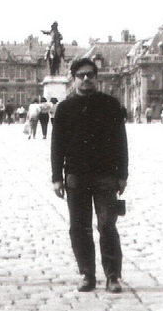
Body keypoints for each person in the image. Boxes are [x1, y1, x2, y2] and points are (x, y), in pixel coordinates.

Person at [51, 58, 128, 294]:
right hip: (76, 175)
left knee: (107, 225)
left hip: (106, 175)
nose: (86, 79)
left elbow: (121, 141)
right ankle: (87, 274)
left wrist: (122, 174)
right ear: (73, 80)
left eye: (90, 75)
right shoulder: (64, 108)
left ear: (96, 78)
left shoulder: (110, 104)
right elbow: (57, 145)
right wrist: (56, 177)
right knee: (79, 227)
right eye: (81, 75)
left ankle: (112, 276)